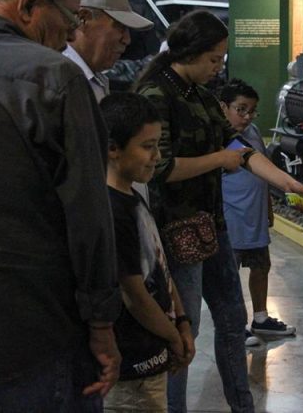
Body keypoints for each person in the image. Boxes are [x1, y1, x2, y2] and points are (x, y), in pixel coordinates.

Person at [0, 0, 121, 412]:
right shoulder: (55, 79)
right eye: (71, 16)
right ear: (30, 1)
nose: (72, 33)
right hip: (27, 337)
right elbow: (90, 219)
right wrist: (102, 325)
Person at [135, 10, 303, 413]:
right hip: (176, 230)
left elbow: (240, 149)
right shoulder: (156, 97)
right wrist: (217, 159)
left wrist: (286, 183)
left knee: (233, 321)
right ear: (193, 52)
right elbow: (159, 169)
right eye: (214, 59)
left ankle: (242, 405)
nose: (219, 67)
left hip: (214, 227)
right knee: (186, 331)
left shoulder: (200, 96)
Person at [100, 93, 195, 412]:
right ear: (113, 148)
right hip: (132, 369)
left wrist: (182, 321)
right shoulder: (112, 212)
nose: (156, 156)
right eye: (147, 146)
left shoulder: (133, 198)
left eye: (158, 145)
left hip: (153, 358)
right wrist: (174, 337)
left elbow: (161, 270)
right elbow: (135, 295)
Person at [219, 79, 296, 347]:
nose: (247, 116)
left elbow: (261, 176)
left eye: (251, 111)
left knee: (261, 266)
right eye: (241, 109)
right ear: (224, 107)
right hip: (231, 220)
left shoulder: (252, 133)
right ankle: (234, 325)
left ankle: (261, 317)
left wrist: (268, 209)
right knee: (230, 275)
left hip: (254, 219)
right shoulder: (218, 138)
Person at [63, 0, 153, 103]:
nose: (127, 40)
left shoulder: (95, 79)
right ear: (83, 19)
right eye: (119, 26)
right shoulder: (58, 80)